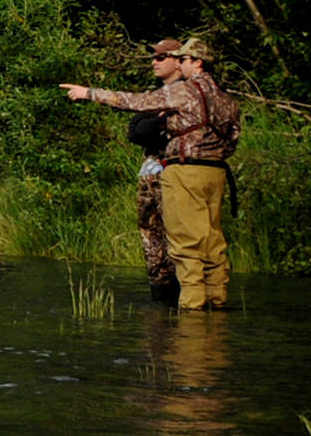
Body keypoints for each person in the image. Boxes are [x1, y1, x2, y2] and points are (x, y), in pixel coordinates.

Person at [61, 38, 240, 312]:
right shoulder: (227, 99)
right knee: (212, 240)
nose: (179, 64)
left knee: (185, 243)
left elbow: (134, 101)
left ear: (197, 62)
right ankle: (218, 302)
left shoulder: (186, 92)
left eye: (183, 60)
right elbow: (233, 139)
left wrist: (89, 93)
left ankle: (192, 311)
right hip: (216, 173)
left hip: (184, 170)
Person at [127, 40, 185, 305]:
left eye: (162, 57)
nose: (154, 61)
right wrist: (157, 120)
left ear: (178, 60)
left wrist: (156, 122)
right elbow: (136, 130)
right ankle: (160, 298)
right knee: (150, 236)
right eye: (154, 56)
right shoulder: (154, 94)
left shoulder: (187, 92)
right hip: (149, 170)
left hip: (174, 170)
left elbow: (152, 128)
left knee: (178, 234)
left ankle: (186, 297)